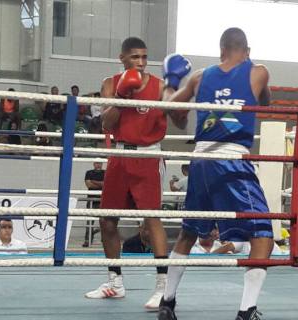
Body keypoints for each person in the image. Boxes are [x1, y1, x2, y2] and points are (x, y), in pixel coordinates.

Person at [157, 28, 274, 320]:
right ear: (246, 49)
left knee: (189, 232)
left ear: (220, 49)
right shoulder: (258, 71)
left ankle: (167, 303)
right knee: (263, 237)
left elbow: (174, 113)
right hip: (232, 160)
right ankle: (247, 311)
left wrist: (170, 82)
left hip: (200, 161)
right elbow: (266, 103)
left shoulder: (199, 77)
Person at [84, 37, 188, 310]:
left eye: (144, 57)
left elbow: (180, 119)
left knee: (151, 219)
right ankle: (114, 283)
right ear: (123, 58)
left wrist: (178, 88)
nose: (140, 62)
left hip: (148, 154)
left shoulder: (159, 86)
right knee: (106, 221)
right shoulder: (110, 83)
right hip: (119, 154)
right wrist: (121, 96)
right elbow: (105, 123)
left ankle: (163, 288)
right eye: (135, 58)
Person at [83, 162, 105, 247]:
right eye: (97, 163)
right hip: (91, 199)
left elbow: (106, 184)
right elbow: (88, 184)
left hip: (103, 200)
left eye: (100, 163)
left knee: (104, 221)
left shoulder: (105, 172)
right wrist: (101, 184)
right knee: (89, 221)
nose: (98, 165)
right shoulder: (89, 172)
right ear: (93, 164)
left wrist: (94, 181)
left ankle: (104, 240)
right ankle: (87, 240)